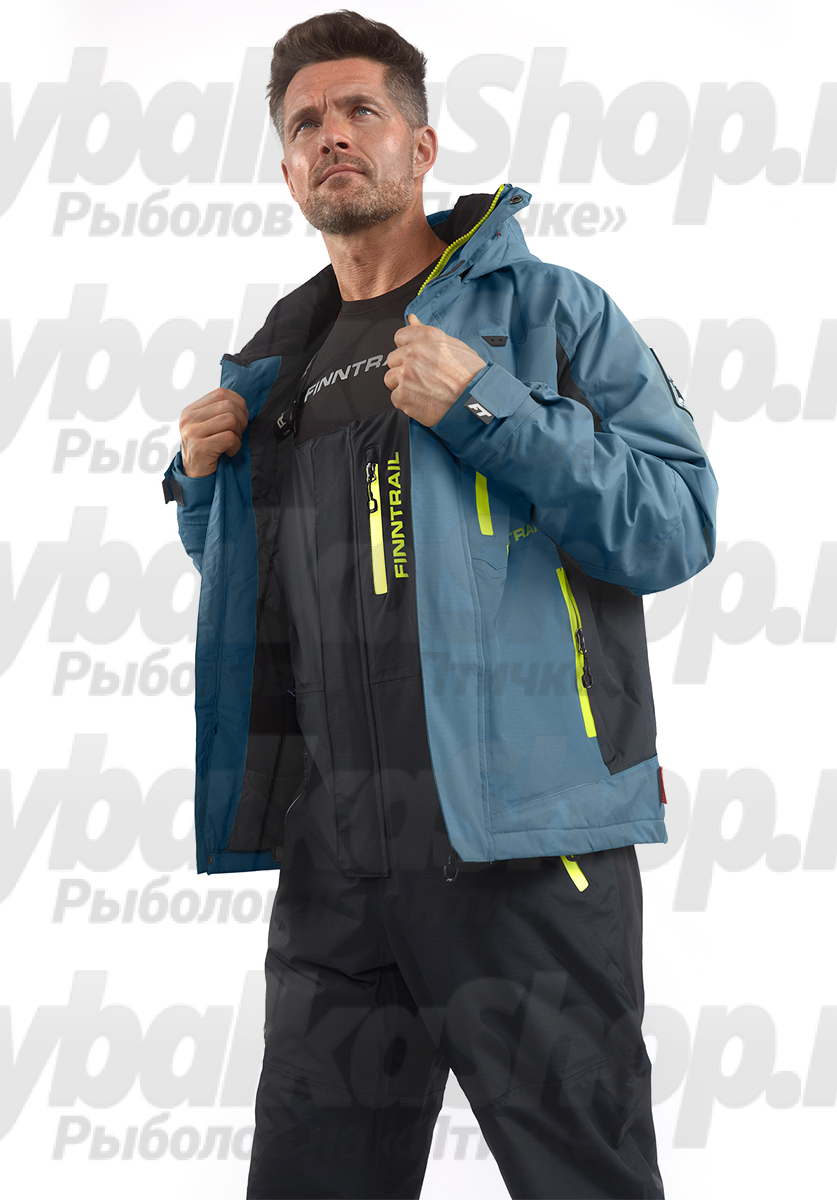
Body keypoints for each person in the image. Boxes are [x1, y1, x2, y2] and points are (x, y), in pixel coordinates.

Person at [162, 11, 717, 1198]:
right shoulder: (276, 366)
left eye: (360, 110)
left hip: (524, 850)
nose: (332, 134)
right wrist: (206, 492)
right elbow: (282, 597)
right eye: (305, 123)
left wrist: (490, 408)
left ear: (421, 148)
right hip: (337, 870)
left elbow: (676, 523)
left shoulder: (551, 315)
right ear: (288, 173)